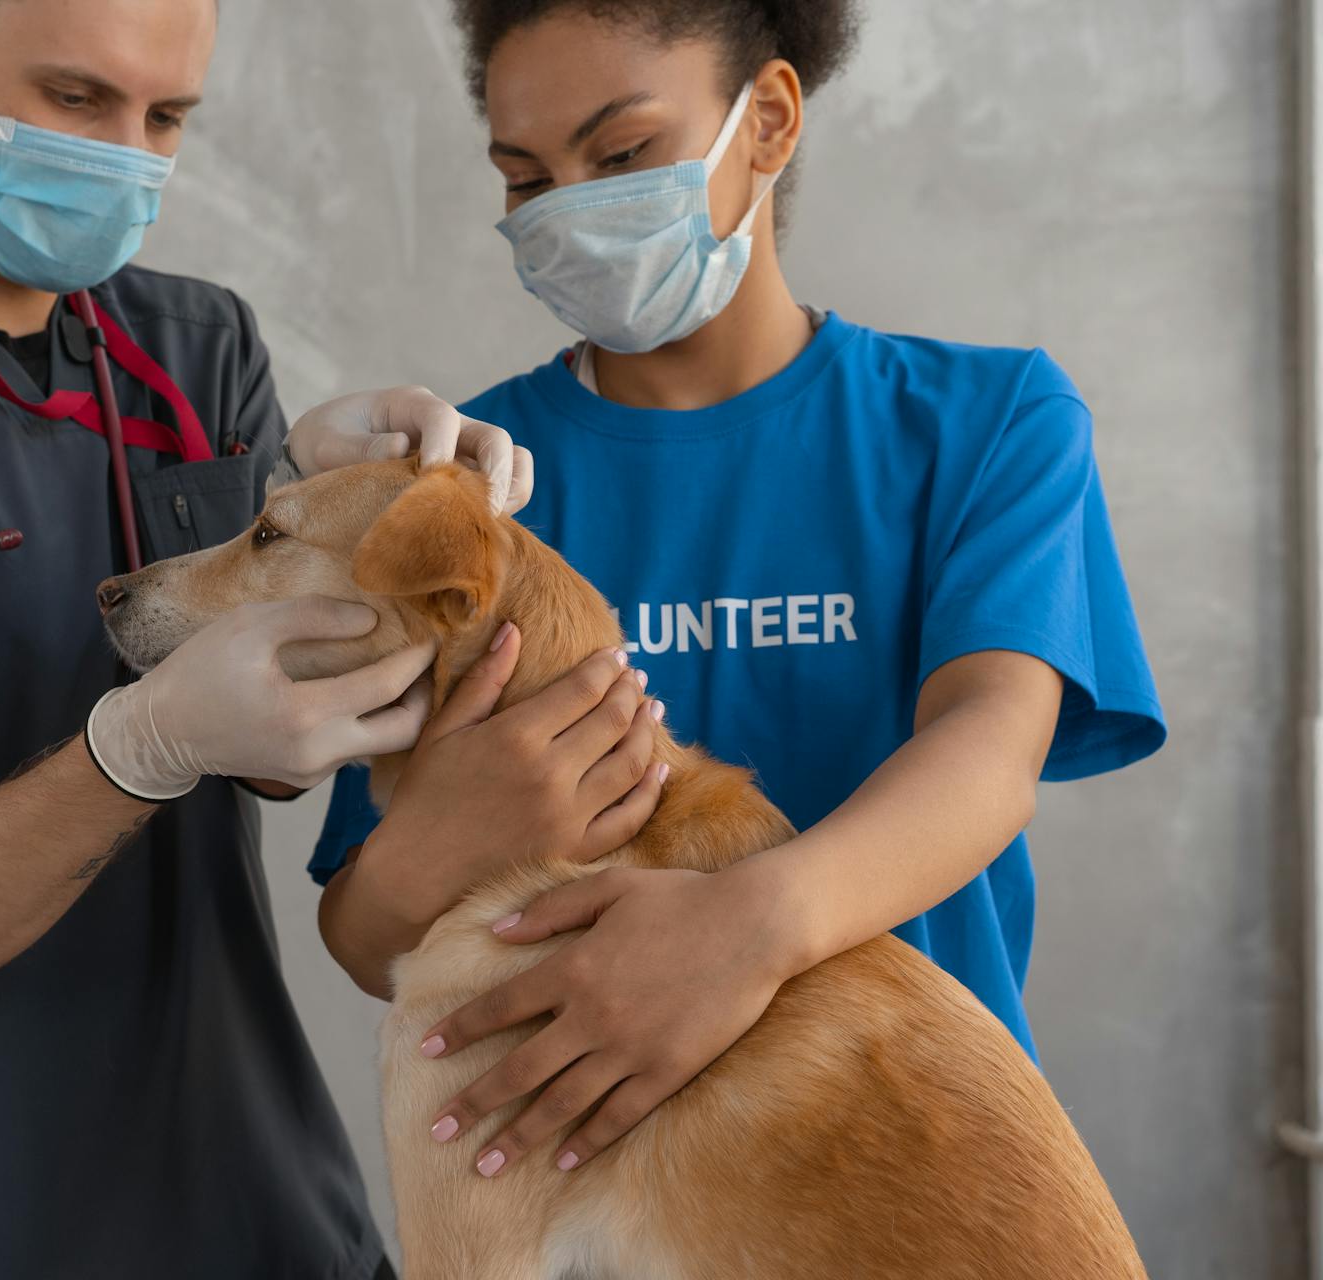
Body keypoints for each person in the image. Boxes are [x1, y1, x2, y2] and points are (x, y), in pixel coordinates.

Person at [0, 0, 662, 1275]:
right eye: (76, 98)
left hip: (270, 1204)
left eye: (165, 117)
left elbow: (276, 752)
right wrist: (143, 742)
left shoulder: (195, 347)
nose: (126, 153)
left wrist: (339, 518)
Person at [313, 0, 1167, 1186]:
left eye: (619, 158)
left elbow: (989, 749)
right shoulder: (465, 493)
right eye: (525, 177)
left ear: (766, 120)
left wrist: (745, 930)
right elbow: (362, 931)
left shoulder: (989, 424)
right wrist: (427, 849)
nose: (566, 209)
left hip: (912, 1172)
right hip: (595, 1207)